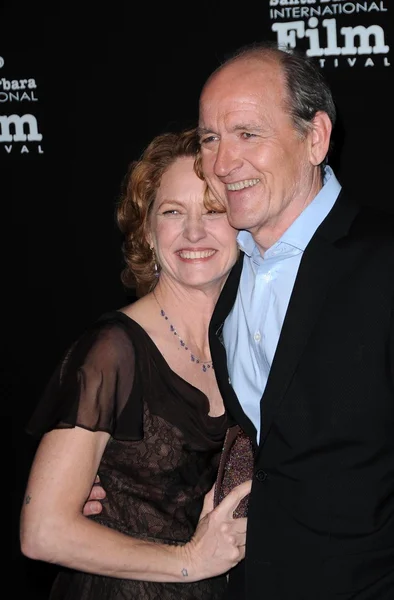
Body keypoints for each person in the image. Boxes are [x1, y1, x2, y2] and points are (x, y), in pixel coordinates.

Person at [84, 41, 394, 599]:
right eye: (210, 138)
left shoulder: (382, 263)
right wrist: (119, 488)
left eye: (248, 133)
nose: (224, 163)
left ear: (315, 138)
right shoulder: (223, 278)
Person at [19, 127, 252, 600]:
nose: (192, 232)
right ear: (148, 231)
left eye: (212, 210)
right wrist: (190, 561)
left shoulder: (250, 341)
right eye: (172, 212)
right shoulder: (113, 350)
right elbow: (42, 531)